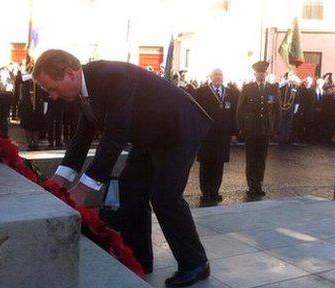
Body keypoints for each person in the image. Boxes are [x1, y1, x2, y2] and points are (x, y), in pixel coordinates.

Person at [32, 49, 212, 287]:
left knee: (165, 196)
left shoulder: (111, 76)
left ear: (69, 74)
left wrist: (82, 189)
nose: (52, 96)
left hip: (180, 127)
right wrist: (58, 181)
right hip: (149, 136)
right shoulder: (85, 90)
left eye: (51, 88)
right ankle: (139, 259)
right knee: (131, 190)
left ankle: (195, 263)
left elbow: (114, 136)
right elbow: (81, 139)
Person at [194, 68, 238, 206]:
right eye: (215, 75)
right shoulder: (201, 92)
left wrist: (233, 132)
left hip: (223, 136)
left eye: (220, 75)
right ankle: (206, 192)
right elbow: (196, 112)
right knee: (206, 164)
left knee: (219, 165)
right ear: (211, 77)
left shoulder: (230, 93)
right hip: (207, 135)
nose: (218, 77)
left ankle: (215, 191)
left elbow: (233, 114)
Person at [237, 61, 279, 199]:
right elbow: (240, 109)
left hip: (265, 129)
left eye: (263, 72)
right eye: (258, 73)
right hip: (251, 128)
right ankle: (251, 185)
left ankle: (258, 185)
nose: (261, 75)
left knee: (261, 159)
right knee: (251, 158)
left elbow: (277, 110)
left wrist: (275, 128)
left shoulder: (273, 88)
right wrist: (241, 127)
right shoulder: (248, 88)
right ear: (255, 74)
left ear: (266, 74)